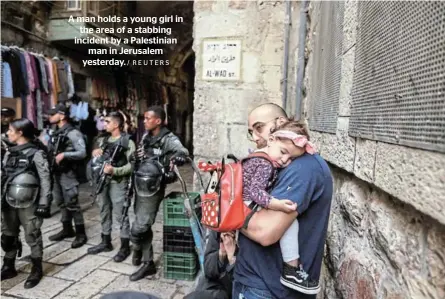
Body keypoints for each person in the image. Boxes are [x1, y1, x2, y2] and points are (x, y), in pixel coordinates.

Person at [233, 103, 333, 299]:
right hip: (255, 280)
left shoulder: (303, 168)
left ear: (279, 124)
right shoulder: (270, 161)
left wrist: (226, 211)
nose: (255, 137)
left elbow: (265, 232)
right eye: (250, 131)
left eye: (259, 127)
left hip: (267, 289)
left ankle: (292, 269)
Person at [241, 120, 320, 294]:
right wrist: (278, 205)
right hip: (247, 203)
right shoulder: (265, 164)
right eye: (283, 152)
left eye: (291, 158)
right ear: (270, 140)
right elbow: (255, 192)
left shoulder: (260, 156)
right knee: (290, 221)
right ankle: (291, 268)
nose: (285, 160)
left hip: (243, 202)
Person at [129, 106, 189, 281]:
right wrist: (134, 157)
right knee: (142, 221)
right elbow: (140, 155)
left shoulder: (168, 138)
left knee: (140, 226)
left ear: (158, 121)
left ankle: (137, 246)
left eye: (148, 118)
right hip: (139, 183)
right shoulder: (147, 137)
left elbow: (182, 151)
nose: (144, 121)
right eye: (144, 118)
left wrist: (178, 157)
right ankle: (148, 263)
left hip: (153, 186)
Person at [1, 119, 52, 288]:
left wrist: (44, 203)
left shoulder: (37, 153)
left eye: (10, 130)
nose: (8, 133)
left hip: (29, 202)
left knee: (32, 235)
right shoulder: (9, 152)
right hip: (8, 201)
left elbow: (45, 180)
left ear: (20, 132)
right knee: (8, 235)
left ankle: (37, 268)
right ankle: (9, 266)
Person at [87, 111, 136, 263]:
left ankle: (125, 246)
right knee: (104, 210)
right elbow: (99, 160)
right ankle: (105, 241)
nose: (104, 124)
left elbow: (133, 165)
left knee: (120, 214)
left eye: (107, 122)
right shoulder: (103, 140)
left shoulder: (128, 142)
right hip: (103, 181)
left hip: (118, 182)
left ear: (116, 124)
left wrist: (115, 171)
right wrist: (96, 153)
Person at [47, 104, 88, 248]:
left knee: (72, 203)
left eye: (53, 114)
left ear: (62, 115)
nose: (49, 116)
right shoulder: (55, 131)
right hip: (56, 173)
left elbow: (82, 152)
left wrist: (65, 154)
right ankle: (67, 229)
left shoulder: (73, 133)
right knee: (60, 202)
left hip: (69, 173)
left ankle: (81, 233)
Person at [184, 231, 237, 299]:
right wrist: (220, 255)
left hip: (233, 288)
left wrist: (232, 261)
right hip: (212, 284)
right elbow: (207, 269)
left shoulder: (249, 234)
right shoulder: (218, 228)